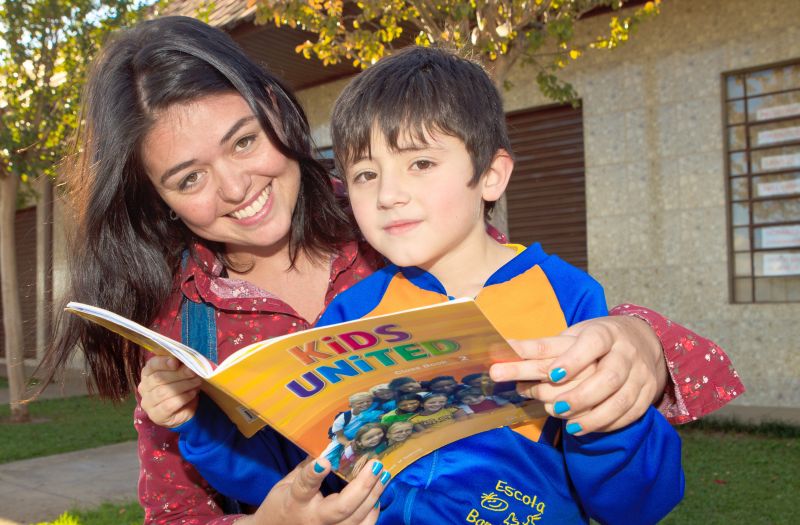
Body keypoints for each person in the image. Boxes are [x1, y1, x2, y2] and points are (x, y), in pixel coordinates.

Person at [38, 15, 743, 525]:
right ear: (155, 199)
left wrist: (635, 356)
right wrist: (207, 434)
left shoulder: (409, 231)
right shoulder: (192, 324)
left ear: (277, 115)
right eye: (189, 177)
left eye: (244, 140)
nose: (232, 187)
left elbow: (636, 476)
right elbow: (280, 467)